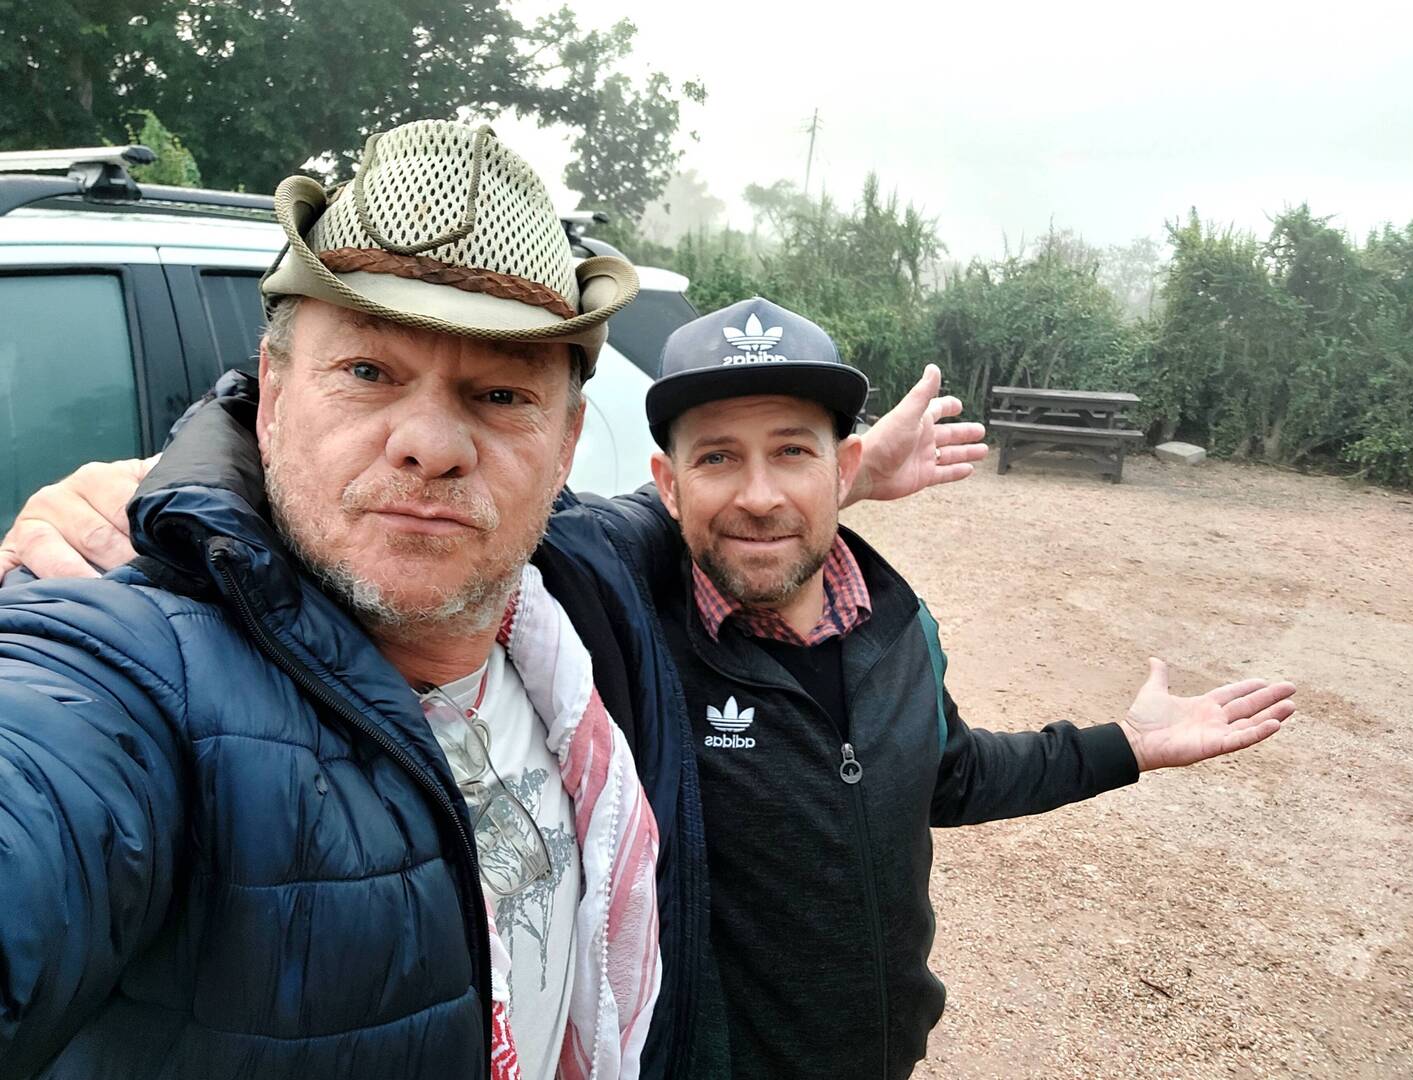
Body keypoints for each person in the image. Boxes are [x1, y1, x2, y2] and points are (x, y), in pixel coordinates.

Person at [4, 296, 1296, 1079]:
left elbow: (947, 774)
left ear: (844, 471)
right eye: (717, 458)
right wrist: (184, 492)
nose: (758, 493)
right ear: (663, 484)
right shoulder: (616, 600)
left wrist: (1126, 745)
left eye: (794, 453)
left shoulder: (897, 626)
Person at [0, 118, 670, 1080]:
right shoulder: (138, 673)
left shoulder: (585, 592)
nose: (429, 444)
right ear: (272, 396)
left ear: (565, 447)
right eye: (367, 373)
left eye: (499, 396)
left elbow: (720, 522)